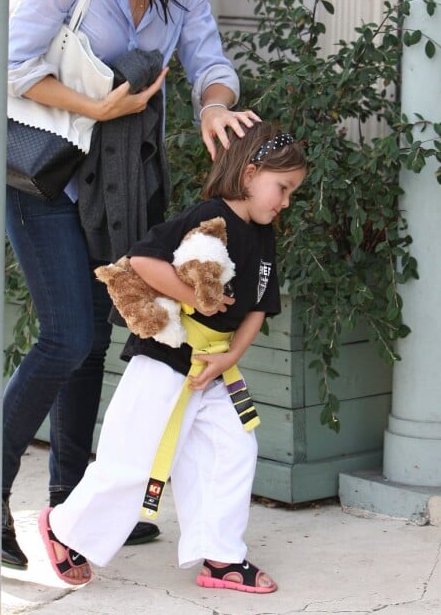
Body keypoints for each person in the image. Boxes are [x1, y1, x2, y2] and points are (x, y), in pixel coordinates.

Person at [2, 0, 261, 568]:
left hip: (118, 188)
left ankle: (74, 512)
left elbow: (211, 61)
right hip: (45, 176)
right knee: (66, 338)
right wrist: (96, 106)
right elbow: (10, 64)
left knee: (89, 349)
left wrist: (214, 107)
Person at [39, 122, 307, 592]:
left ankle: (221, 557)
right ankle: (66, 531)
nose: (284, 202)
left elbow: (259, 310)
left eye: (291, 194)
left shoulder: (263, 237)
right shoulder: (210, 216)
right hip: (164, 360)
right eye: (282, 189)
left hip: (214, 369)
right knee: (132, 458)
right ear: (249, 174)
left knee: (232, 449)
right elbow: (142, 261)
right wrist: (193, 294)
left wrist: (230, 359)